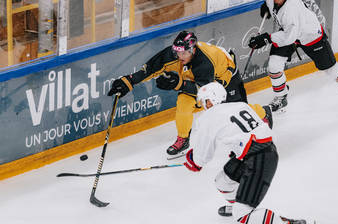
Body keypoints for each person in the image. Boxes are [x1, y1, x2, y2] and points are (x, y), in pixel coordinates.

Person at [183, 82, 315, 224]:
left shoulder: (208, 118)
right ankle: (240, 204)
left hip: (259, 158)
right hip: (262, 150)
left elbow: (201, 159)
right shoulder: (239, 104)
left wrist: (192, 160)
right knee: (223, 182)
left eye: (203, 102)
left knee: (242, 213)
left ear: (210, 101)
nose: (203, 106)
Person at [108, 30, 272, 158]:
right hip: (198, 81)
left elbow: (206, 93)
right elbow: (150, 69)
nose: (179, 56)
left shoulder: (204, 62)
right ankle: (183, 139)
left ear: (193, 50)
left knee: (233, 111)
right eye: (177, 52)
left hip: (224, 77)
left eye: (184, 53)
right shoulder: (174, 54)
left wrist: (179, 83)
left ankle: (263, 112)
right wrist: (128, 81)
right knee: (183, 104)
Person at [248, 0, 338, 113]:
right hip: (289, 32)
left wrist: (266, 38)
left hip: (310, 35)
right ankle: (281, 97)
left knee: (331, 69)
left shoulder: (291, 8)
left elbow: (289, 38)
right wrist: (268, 6)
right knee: (274, 65)